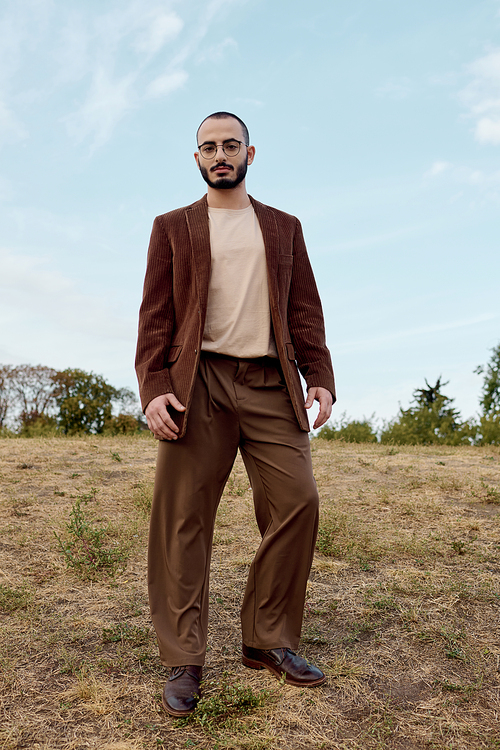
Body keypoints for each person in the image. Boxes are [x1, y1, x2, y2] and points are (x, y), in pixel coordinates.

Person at [135, 111, 336, 717]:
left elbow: (305, 307)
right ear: (196, 159)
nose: (220, 154)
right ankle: (184, 659)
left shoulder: (283, 228)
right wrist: (153, 388)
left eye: (230, 144)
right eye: (208, 147)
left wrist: (320, 376)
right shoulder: (171, 228)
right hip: (199, 383)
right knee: (183, 519)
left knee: (297, 501)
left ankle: (267, 640)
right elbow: (155, 317)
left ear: (251, 152)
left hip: (272, 382)